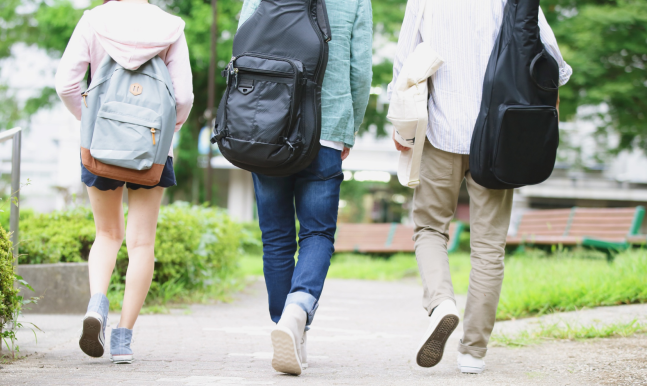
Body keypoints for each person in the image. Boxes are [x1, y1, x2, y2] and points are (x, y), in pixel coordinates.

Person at [389, 0, 571, 374]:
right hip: (502, 135)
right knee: (489, 245)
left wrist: (401, 129)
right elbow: (552, 60)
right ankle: (473, 352)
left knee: (429, 228)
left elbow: (405, 63)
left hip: (441, 131)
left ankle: (441, 303)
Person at [237, 0, 373, 375]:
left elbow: (243, 43)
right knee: (316, 233)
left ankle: (286, 322)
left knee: (276, 237)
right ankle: (298, 313)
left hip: (267, 127)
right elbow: (360, 70)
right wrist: (351, 125)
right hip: (326, 128)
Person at [54, 0, 193, 364]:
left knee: (107, 234)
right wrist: (163, 133)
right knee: (142, 241)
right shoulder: (170, 26)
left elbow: (66, 83)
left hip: (100, 145)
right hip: (152, 148)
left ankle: (97, 306)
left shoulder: (93, 20)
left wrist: (92, 123)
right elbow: (184, 97)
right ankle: (123, 339)